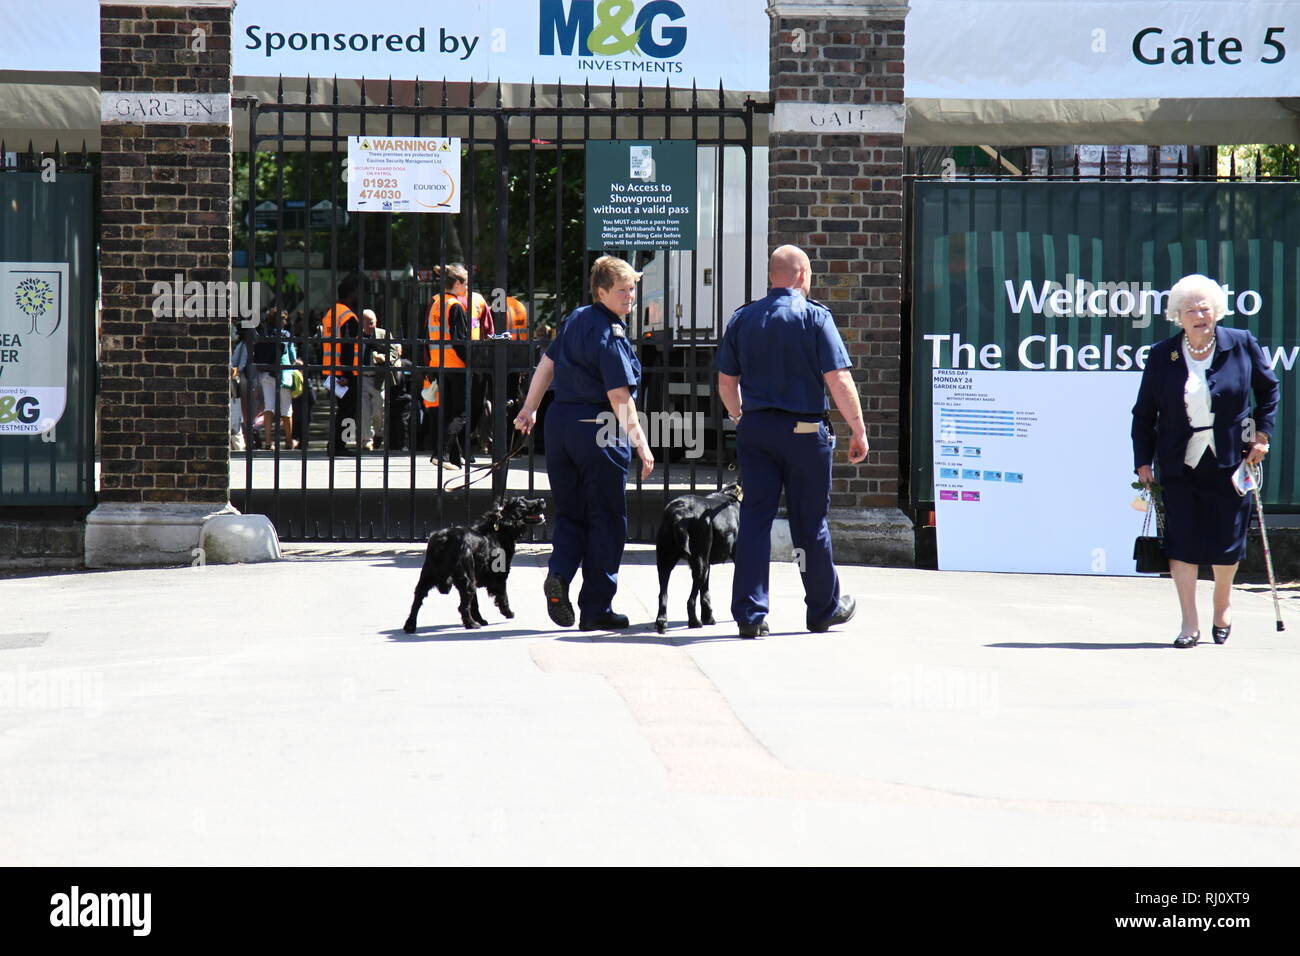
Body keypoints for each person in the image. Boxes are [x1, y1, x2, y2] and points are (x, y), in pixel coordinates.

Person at [714, 245, 868, 638]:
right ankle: (821, 608)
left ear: (772, 276)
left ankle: (750, 615)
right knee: (809, 524)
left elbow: (726, 383)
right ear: (802, 275)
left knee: (754, 522)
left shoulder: (743, 319)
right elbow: (838, 379)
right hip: (804, 434)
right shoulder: (815, 318)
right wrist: (858, 428)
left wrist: (740, 417)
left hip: (757, 431)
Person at [1131, 273, 1279, 648]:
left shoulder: (1241, 344)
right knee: (1181, 539)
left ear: (1217, 312)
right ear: (1177, 316)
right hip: (1179, 460)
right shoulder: (1163, 355)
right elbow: (1144, 413)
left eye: (1206, 308)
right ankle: (1189, 622)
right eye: (1191, 310)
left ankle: (1222, 602)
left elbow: (1269, 389)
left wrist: (1262, 435)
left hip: (1232, 458)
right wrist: (1143, 463)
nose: (1200, 315)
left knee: (1227, 538)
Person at [513, 256, 655, 630]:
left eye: (633, 289)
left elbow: (547, 365)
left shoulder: (575, 319)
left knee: (572, 513)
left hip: (560, 426)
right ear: (601, 291)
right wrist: (641, 443)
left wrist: (530, 409)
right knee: (607, 519)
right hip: (598, 427)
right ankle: (596, 608)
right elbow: (619, 395)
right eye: (622, 290)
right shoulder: (610, 333)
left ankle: (559, 573)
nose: (630, 297)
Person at [422, 264, 478, 468]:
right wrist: (471, 362)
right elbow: (460, 340)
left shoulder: (436, 303)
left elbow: (428, 336)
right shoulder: (455, 306)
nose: (468, 287)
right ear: (456, 283)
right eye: (466, 283)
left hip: (439, 363)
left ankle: (452, 458)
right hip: (456, 364)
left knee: (447, 411)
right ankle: (442, 453)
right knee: (461, 413)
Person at [321, 276, 362, 454]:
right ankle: (340, 445)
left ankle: (335, 444)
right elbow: (347, 346)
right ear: (350, 294)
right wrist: (346, 373)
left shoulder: (330, 313)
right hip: (345, 371)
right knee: (349, 409)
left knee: (342, 408)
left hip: (330, 368)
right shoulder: (348, 316)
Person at [253, 309, 299, 450]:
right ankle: (289, 441)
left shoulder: (265, 334)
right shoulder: (286, 335)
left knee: (269, 407)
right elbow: (292, 358)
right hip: (283, 374)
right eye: (285, 319)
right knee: (286, 409)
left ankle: (268, 442)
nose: (286, 322)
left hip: (266, 373)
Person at [359, 308, 400, 451]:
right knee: (363, 410)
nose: (372, 326)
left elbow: (395, 352)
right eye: (369, 323)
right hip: (362, 377)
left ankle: (379, 434)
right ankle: (366, 440)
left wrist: (384, 358)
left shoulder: (383, 334)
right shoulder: (355, 336)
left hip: (378, 378)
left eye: (373, 322)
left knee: (379, 408)